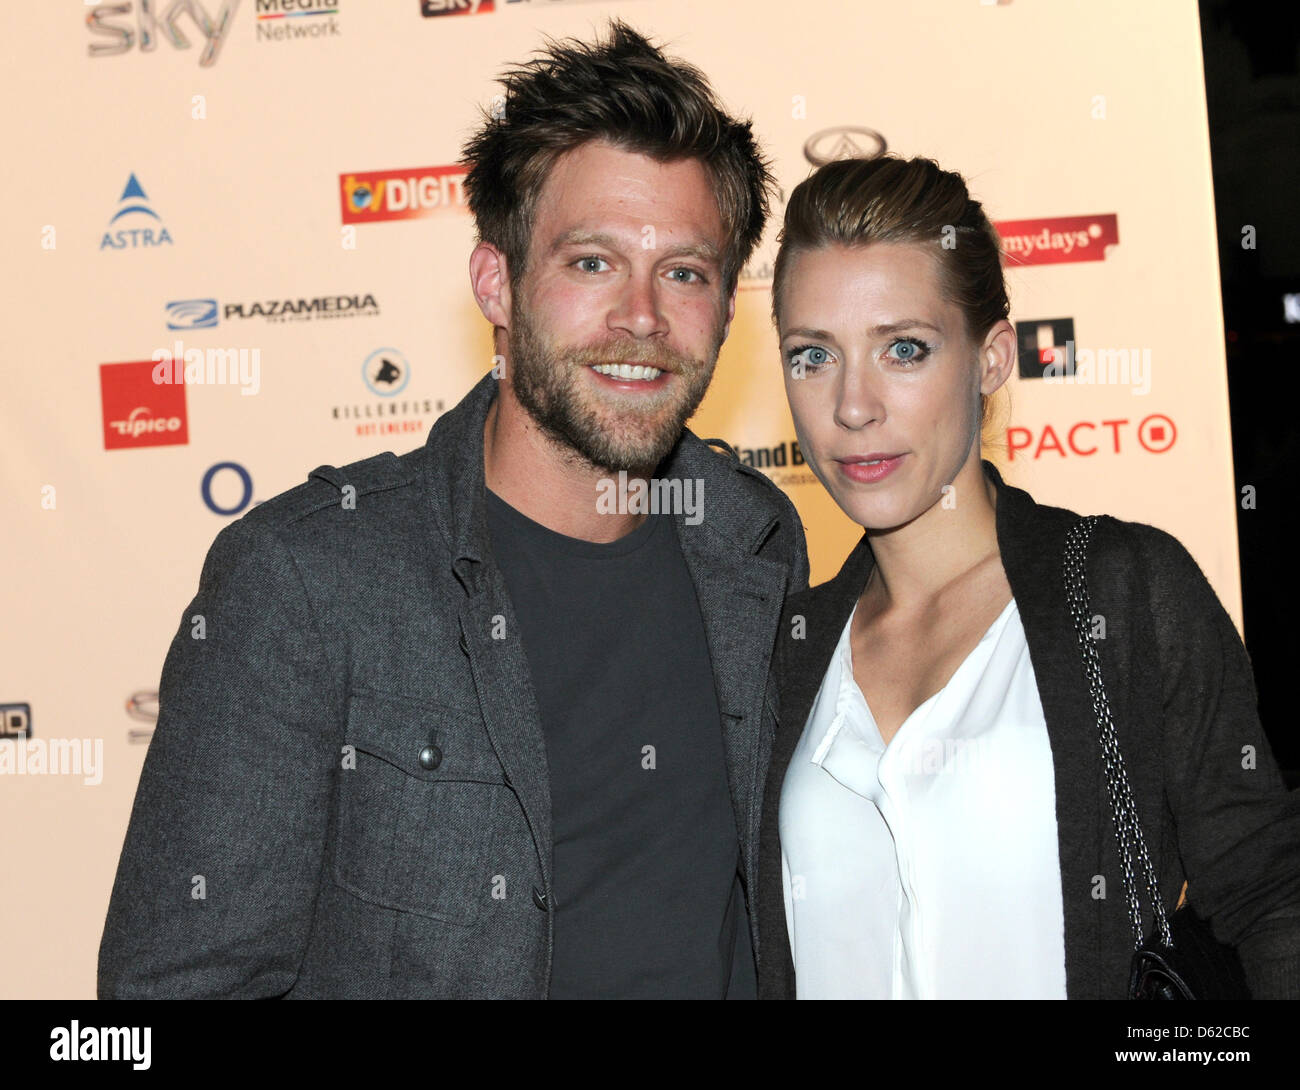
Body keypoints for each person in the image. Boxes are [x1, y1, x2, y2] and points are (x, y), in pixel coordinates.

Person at [97, 20, 808, 1000]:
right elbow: (174, 989)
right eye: (591, 262)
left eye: (683, 271)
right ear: (498, 283)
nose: (641, 316)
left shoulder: (757, 545)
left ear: (728, 306)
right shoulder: (307, 579)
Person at [754, 155, 1300, 999]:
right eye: (812, 356)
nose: (853, 406)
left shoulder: (1124, 593)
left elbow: (1270, 897)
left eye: (904, 349)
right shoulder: (784, 653)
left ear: (993, 358)